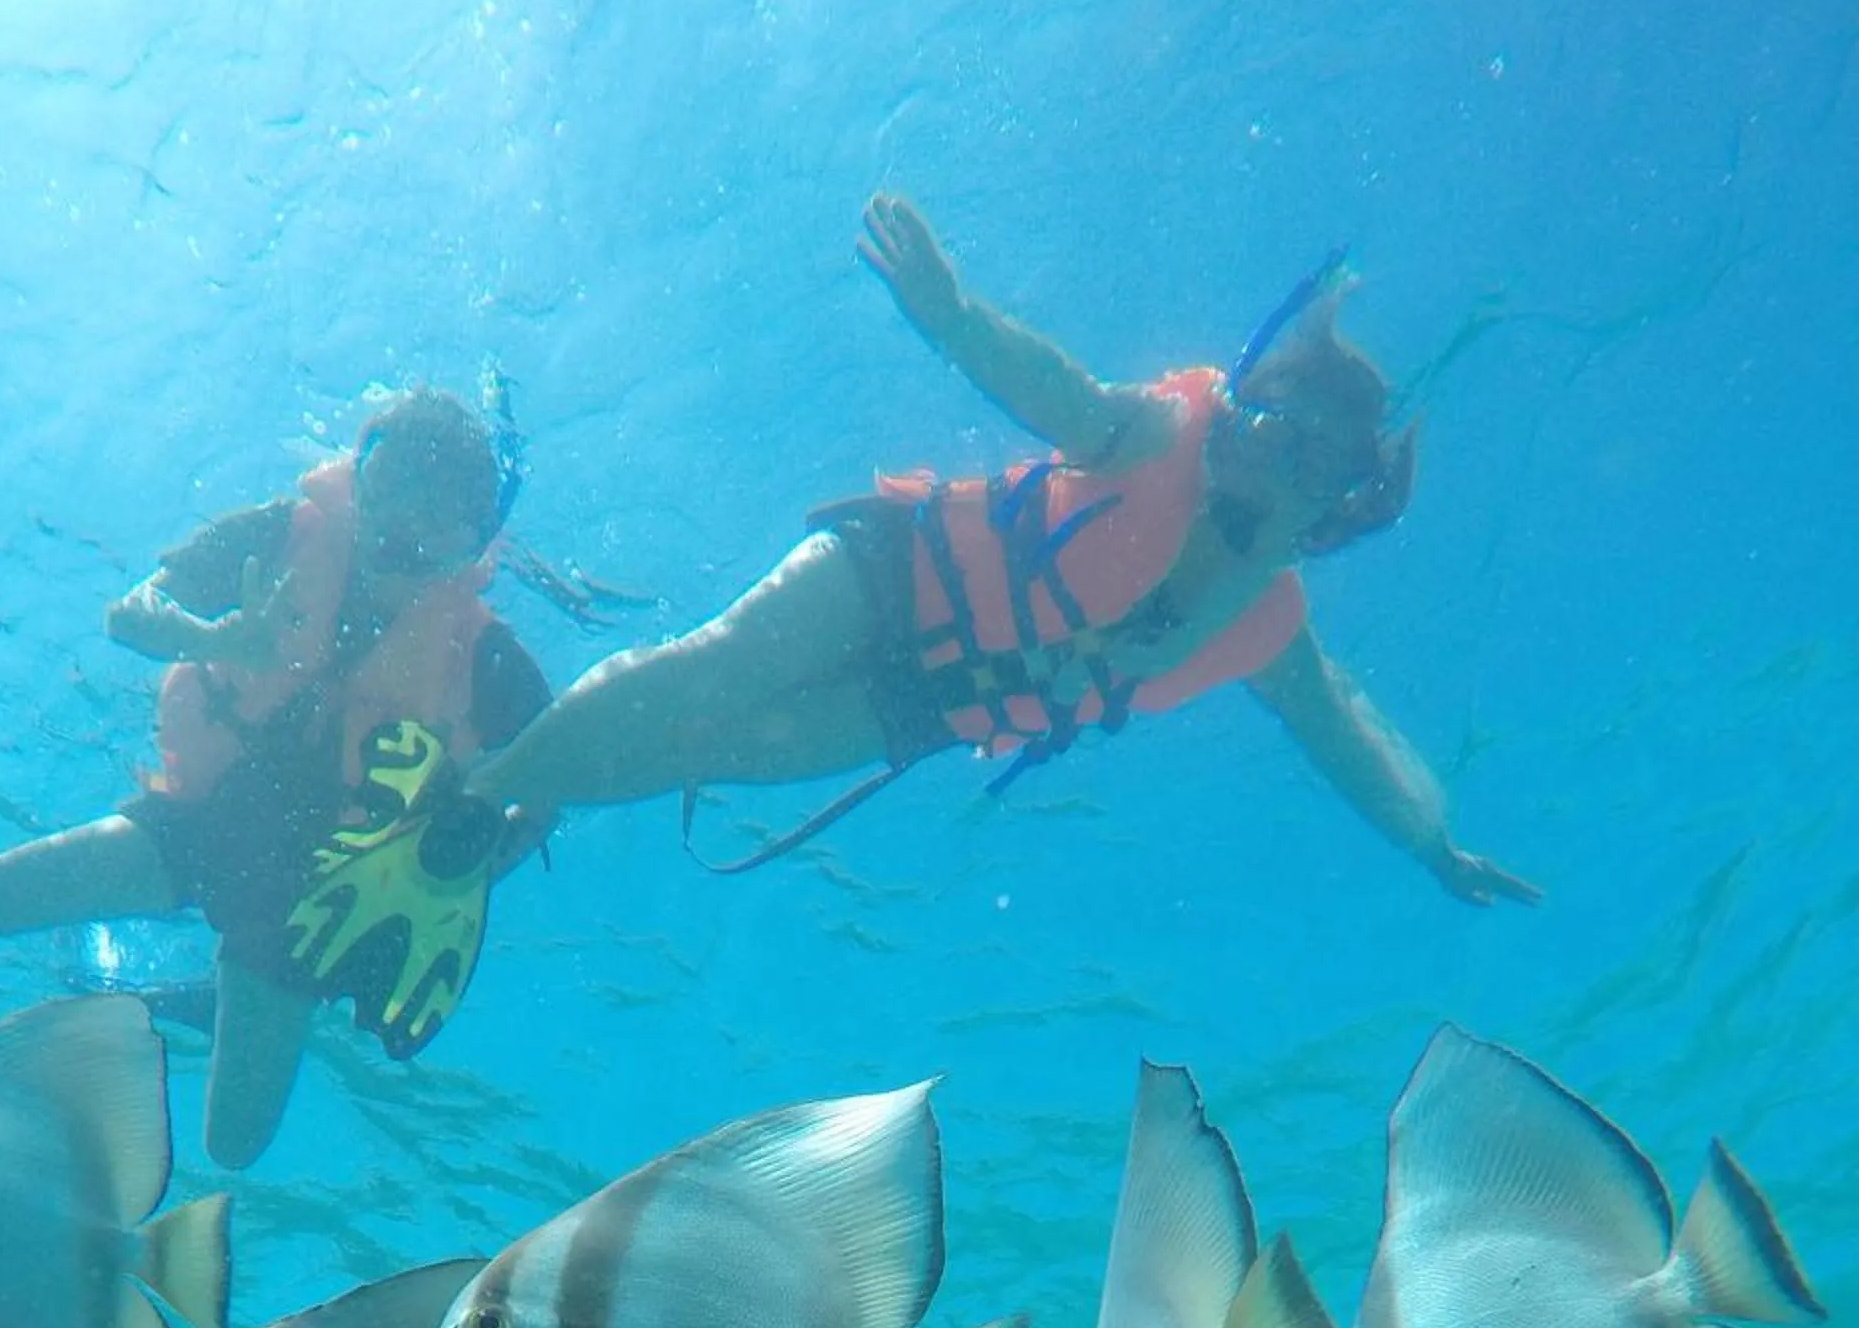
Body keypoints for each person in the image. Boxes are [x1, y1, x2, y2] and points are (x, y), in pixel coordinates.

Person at [462, 200, 1539, 911]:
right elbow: (1059, 392)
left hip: (939, 704)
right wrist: (953, 315)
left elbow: (1342, 736)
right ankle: (481, 787)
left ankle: (518, 799)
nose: (1264, 458)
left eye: (1306, 458)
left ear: (1337, 507)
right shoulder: (1163, 435)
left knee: (717, 750)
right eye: (1266, 421)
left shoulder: (1266, 628)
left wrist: (1428, 844)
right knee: (719, 666)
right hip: (895, 576)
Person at [0, 386, 555, 1165]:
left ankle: (219, 999)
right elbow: (129, 613)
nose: (404, 526)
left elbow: (555, 783)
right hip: (195, 829)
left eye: (442, 514)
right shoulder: (278, 538)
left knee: (234, 1146)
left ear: (477, 538)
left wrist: (467, 868)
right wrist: (211, 639)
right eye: (393, 484)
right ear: (359, 474)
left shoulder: (489, 660)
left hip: (312, 905)